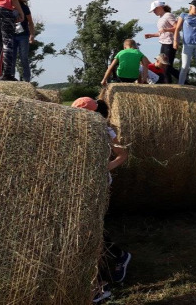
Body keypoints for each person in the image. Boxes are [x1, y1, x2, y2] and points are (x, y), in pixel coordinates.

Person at [71, 97, 132, 303]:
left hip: (98, 184)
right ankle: (117, 258)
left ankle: (99, 283)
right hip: (79, 182)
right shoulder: (73, 130)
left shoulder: (106, 131)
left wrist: (103, 169)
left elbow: (122, 155)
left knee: (88, 229)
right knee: (88, 228)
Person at [144, 1, 179, 84]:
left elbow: (177, 27)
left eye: (154, 9)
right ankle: (168, 85)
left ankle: (183, 81)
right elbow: (162, 32)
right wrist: (152, 35)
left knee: (167, 66)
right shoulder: (160, 18)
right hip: (163, 43)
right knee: (163, 66)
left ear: (160, 7)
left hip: (170, 43)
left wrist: (166, 30)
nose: (153, 12)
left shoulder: (168, 15)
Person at [12, 0, 34, 82]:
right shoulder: (8, 7)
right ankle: (11, 76)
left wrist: (32, 35)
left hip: (23, 36)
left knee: (24, 57)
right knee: (11, 57)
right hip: (11, 35)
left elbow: (30, 22)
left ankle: (26, 79)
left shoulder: (24, 8)